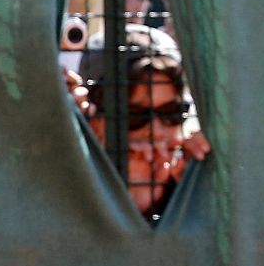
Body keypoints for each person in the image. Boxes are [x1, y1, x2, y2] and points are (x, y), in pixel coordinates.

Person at [74, 24, 210, 221]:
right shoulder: (66, 189)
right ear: (93, 120)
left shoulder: (199, 183)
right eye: (135, 115)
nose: (156, 131)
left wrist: (197, 189)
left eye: (170, 113)